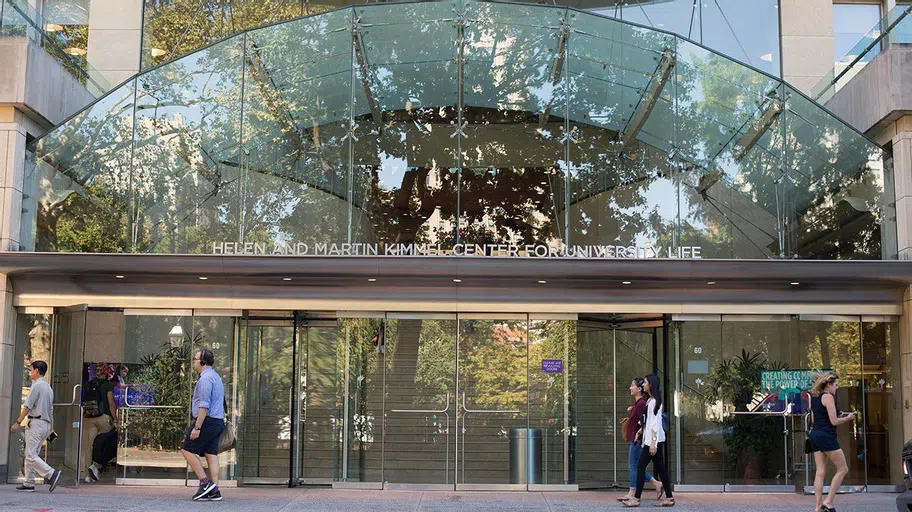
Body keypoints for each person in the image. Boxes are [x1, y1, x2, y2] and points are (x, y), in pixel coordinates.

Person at [10, 360, 61, 492]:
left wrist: (17, 422)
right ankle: (29, 482)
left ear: (37, 371)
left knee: (31, 455)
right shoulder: (48, 388)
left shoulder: (36, 386)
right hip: (45, 424)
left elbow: (27, 406)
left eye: (31, 369)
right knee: (31, 454)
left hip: (36, 423)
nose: (30, 372)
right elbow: (50, 411)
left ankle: (51, 473)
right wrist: (51, 429)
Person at [181, 348, 225, 501]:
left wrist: (197, 427)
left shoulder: (205, 379)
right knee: (211, 454)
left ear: (203, 361)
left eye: (195, 358)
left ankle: (205, 484)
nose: (194, 361)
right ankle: (215, 491)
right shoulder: (216, 376)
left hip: (207, 421)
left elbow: (204, 405)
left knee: (186, 449)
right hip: (217, 421)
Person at [809, 372, 857, 512]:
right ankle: (829, 501)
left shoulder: (815, 398)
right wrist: (848, 418)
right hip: (826, 436)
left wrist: (837, 414)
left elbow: (815, 419)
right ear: (828, 384)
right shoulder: (828, 397)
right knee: (843, 469)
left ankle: (818, 507)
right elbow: (834, 421)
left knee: (820, 472)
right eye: (835, 385)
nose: (836, 388)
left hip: (815, 435)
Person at [623, 374, 674, 507]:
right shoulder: (650, 401)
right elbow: (648, 421)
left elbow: (656, 423)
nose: (643, 385)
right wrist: (641, 431)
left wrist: (653, 443)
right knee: (661, 469)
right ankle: (669, 497)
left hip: (652, 441)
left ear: (650, 385)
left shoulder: (655, 402)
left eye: (645, 383)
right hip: (651, 439)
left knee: (640, 467)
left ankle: (636, 499)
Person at [618, 378, 662, 502]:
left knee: (633, 465)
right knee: (637, 466)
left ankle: (632, 491)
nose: (630, 388)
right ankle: (656, 483)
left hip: (638, 438)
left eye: (632, 385)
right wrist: (632, 411)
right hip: (636, 437)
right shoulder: (639, 404)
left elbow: (645, 420)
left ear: (639, 389)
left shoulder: (642, 403)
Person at [83, 362, 117, 482]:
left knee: (89, 445)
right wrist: (115, 419)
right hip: (103, 417)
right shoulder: (107, 385)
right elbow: (111, 402)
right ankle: (96, 467)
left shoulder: (89, 384)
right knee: (104, 443)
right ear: (106, 372)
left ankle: (87, 474)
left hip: (89, 417)